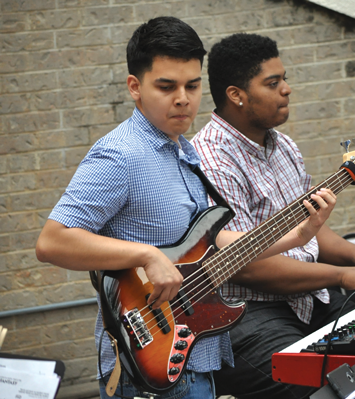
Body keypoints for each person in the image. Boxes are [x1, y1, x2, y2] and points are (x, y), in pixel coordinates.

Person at [35, 18, 336, 399]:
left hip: (193, 358)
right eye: (166, 86)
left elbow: (208, 242)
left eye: (192, 86)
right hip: (145, 368)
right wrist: (146, 256)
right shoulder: (120, 155)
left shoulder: (182, 149)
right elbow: (52, 242)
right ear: (135, 87)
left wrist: (294, 236)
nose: (183, 98)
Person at [190, 33, 355, 399]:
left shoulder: (284, 146)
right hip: (247, 314)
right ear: (236, 95)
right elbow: (247, 266)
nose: (287, 90)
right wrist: (342, 274)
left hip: (308, 298)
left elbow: (307, 228)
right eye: (273, 83)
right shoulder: (212, 160)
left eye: (285, 79)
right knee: (326, 385)